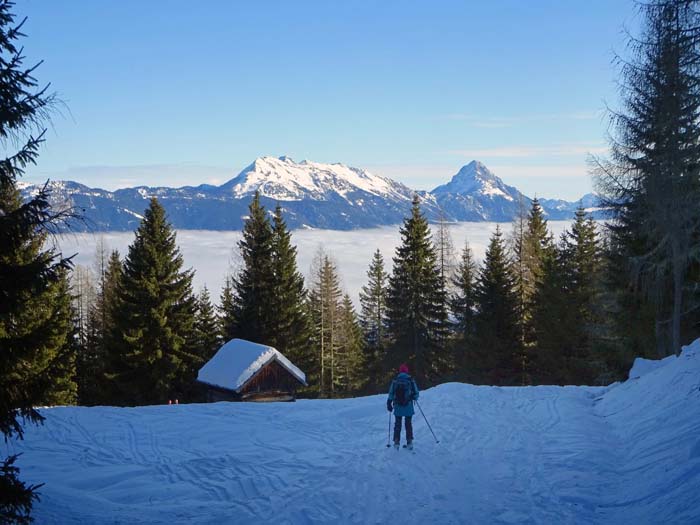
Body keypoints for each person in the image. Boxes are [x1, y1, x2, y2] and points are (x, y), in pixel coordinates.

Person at [386, 363, 419, 450]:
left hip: (398, 406)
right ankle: (409, 442)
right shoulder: (410, 380)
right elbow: (416, 394)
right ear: (407, 371)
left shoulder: (395, 380)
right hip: (408, 406)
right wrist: (413, 397)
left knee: (398, 424)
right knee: (408, 424)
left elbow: (391, 394)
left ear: (400, 371)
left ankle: (396, 442)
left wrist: (389, 403)